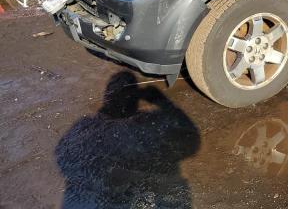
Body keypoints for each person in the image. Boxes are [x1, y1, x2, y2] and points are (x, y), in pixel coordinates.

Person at [55, 71, 200, 208]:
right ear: (135, 99)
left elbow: (62, 156)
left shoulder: (86, 126)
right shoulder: (144, 124)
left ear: (108, 97)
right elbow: (191, 139)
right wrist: (162, 101)